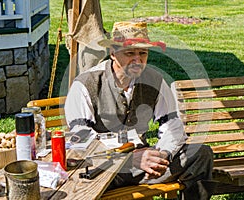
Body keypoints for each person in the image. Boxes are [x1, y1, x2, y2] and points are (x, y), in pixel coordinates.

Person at [65, 21, 214, 199]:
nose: (138, 60)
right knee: (79, 180)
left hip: (144, 165)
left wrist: (162, 154)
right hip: (103, 168)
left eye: (143, 53)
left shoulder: (155, 80)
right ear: (113, 53)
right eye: (130, 53)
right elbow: (81, 140)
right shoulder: (85, 84)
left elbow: (173, 125)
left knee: (201, 154)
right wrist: (126, 161)